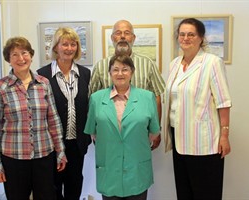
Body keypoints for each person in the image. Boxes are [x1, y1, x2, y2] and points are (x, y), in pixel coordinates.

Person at [0, 36, 67, 200]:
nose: (20, 58)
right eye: (14, 54)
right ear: (8, 59)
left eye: (24, 53)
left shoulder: (43, 83)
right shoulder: (1, 87)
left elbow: (53, 120)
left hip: (44, 155)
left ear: (31, 55)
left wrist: (60, 151)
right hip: (14, 158)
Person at [163, 18, 232, 200]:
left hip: (204, 142)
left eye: (191, 34)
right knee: (184, 192)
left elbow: (223, 101)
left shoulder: (212, 62)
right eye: (182, 34)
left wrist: (224, 135)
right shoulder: (174, 64)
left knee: (206, 193)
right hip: (178, 137)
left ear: (201, 38)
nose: (186, 38)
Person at [84, 54, 160, 200]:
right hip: (109, 171)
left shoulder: (147, 97)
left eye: (125, 69)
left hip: (136, 171)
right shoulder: (96, 98)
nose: (120, 74)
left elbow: (153, 132)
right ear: (109, 73)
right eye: (115, 69)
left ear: (132, 72)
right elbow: (93, 133)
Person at [90, 19, 165, 150]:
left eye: (127, 33)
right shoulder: (101, 66)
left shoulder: (148, 64)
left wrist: (156, 129)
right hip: (109, 133)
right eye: (118, 33)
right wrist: (94, 130)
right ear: (112, 37)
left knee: (138, 167)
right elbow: (92, 100)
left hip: (141, 132)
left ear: (133, 38)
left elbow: (157, 97)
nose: (123, 36)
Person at [37, 27, 91, 200]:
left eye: (73, 44)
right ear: (55, 47)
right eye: (64, 44)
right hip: (52, 144)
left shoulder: (85, 73)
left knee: (75, 185)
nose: (69, 48)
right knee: (52, 187)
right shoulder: (42, 75)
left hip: (77, 142)